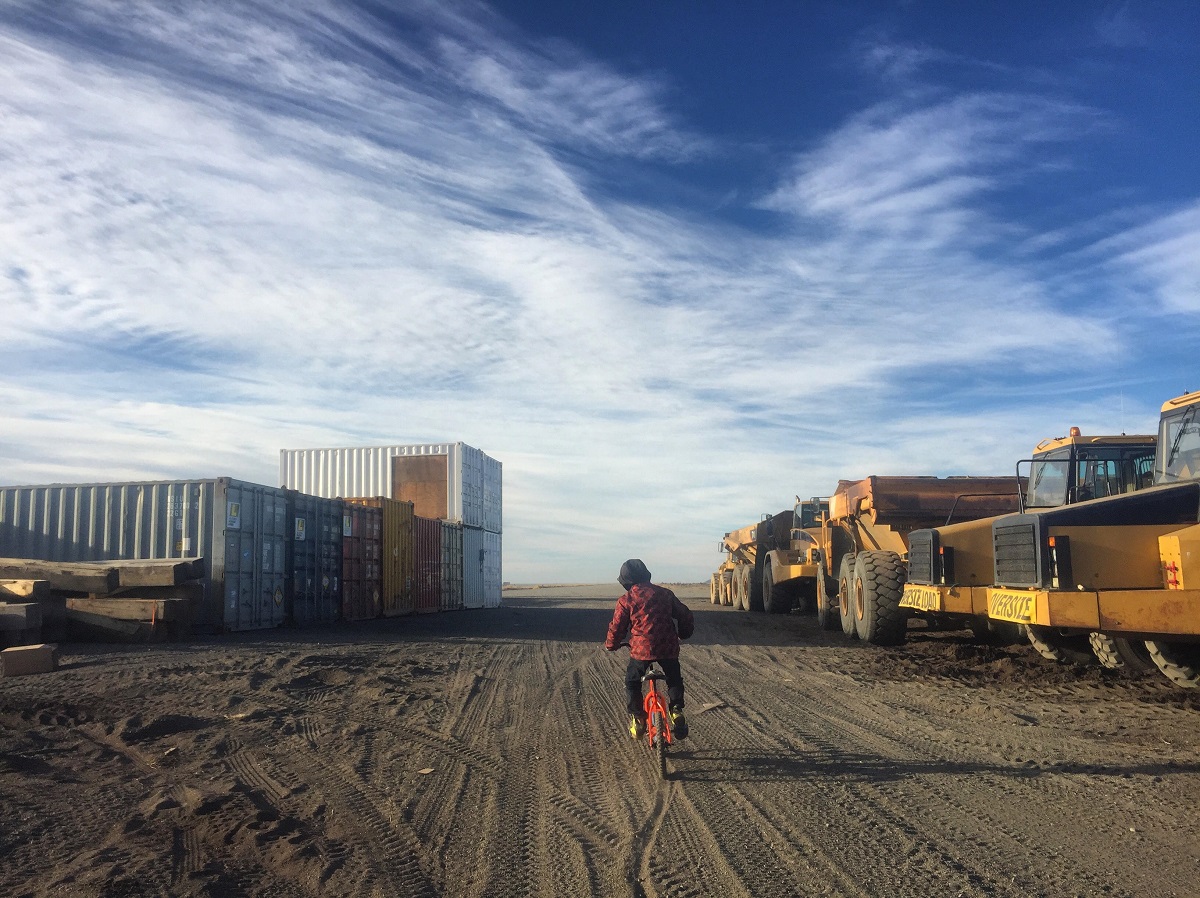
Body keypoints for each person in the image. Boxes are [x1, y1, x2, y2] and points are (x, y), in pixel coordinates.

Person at [604, 558, 694, 740]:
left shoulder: (626, 600)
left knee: (632, 682)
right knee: (674, 677)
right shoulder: (665, 594)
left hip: (640, 651)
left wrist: (611, 644)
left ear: (626, 581)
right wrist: (683, 634)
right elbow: (685, 615)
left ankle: (638, 718)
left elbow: (617, 627)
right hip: (668, 647)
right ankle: (676, 710)